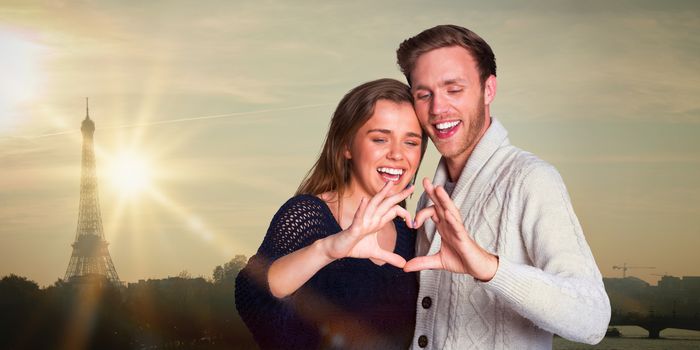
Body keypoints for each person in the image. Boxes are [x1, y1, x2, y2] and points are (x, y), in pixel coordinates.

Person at [395, 25, 611, 349]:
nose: (438, 108)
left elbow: (593, 319)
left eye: (454, 89)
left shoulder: (530, 179)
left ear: (488, 90)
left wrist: (488, 267)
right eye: (424, 94)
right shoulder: (430, 196)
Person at [235, 78, 428, 349]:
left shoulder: (411, 235)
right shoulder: (308, 214)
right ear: (346, 146)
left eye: (411, 142)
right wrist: (328, 250)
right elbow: (251, 293)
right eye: (380, 139)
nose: (397, 154)